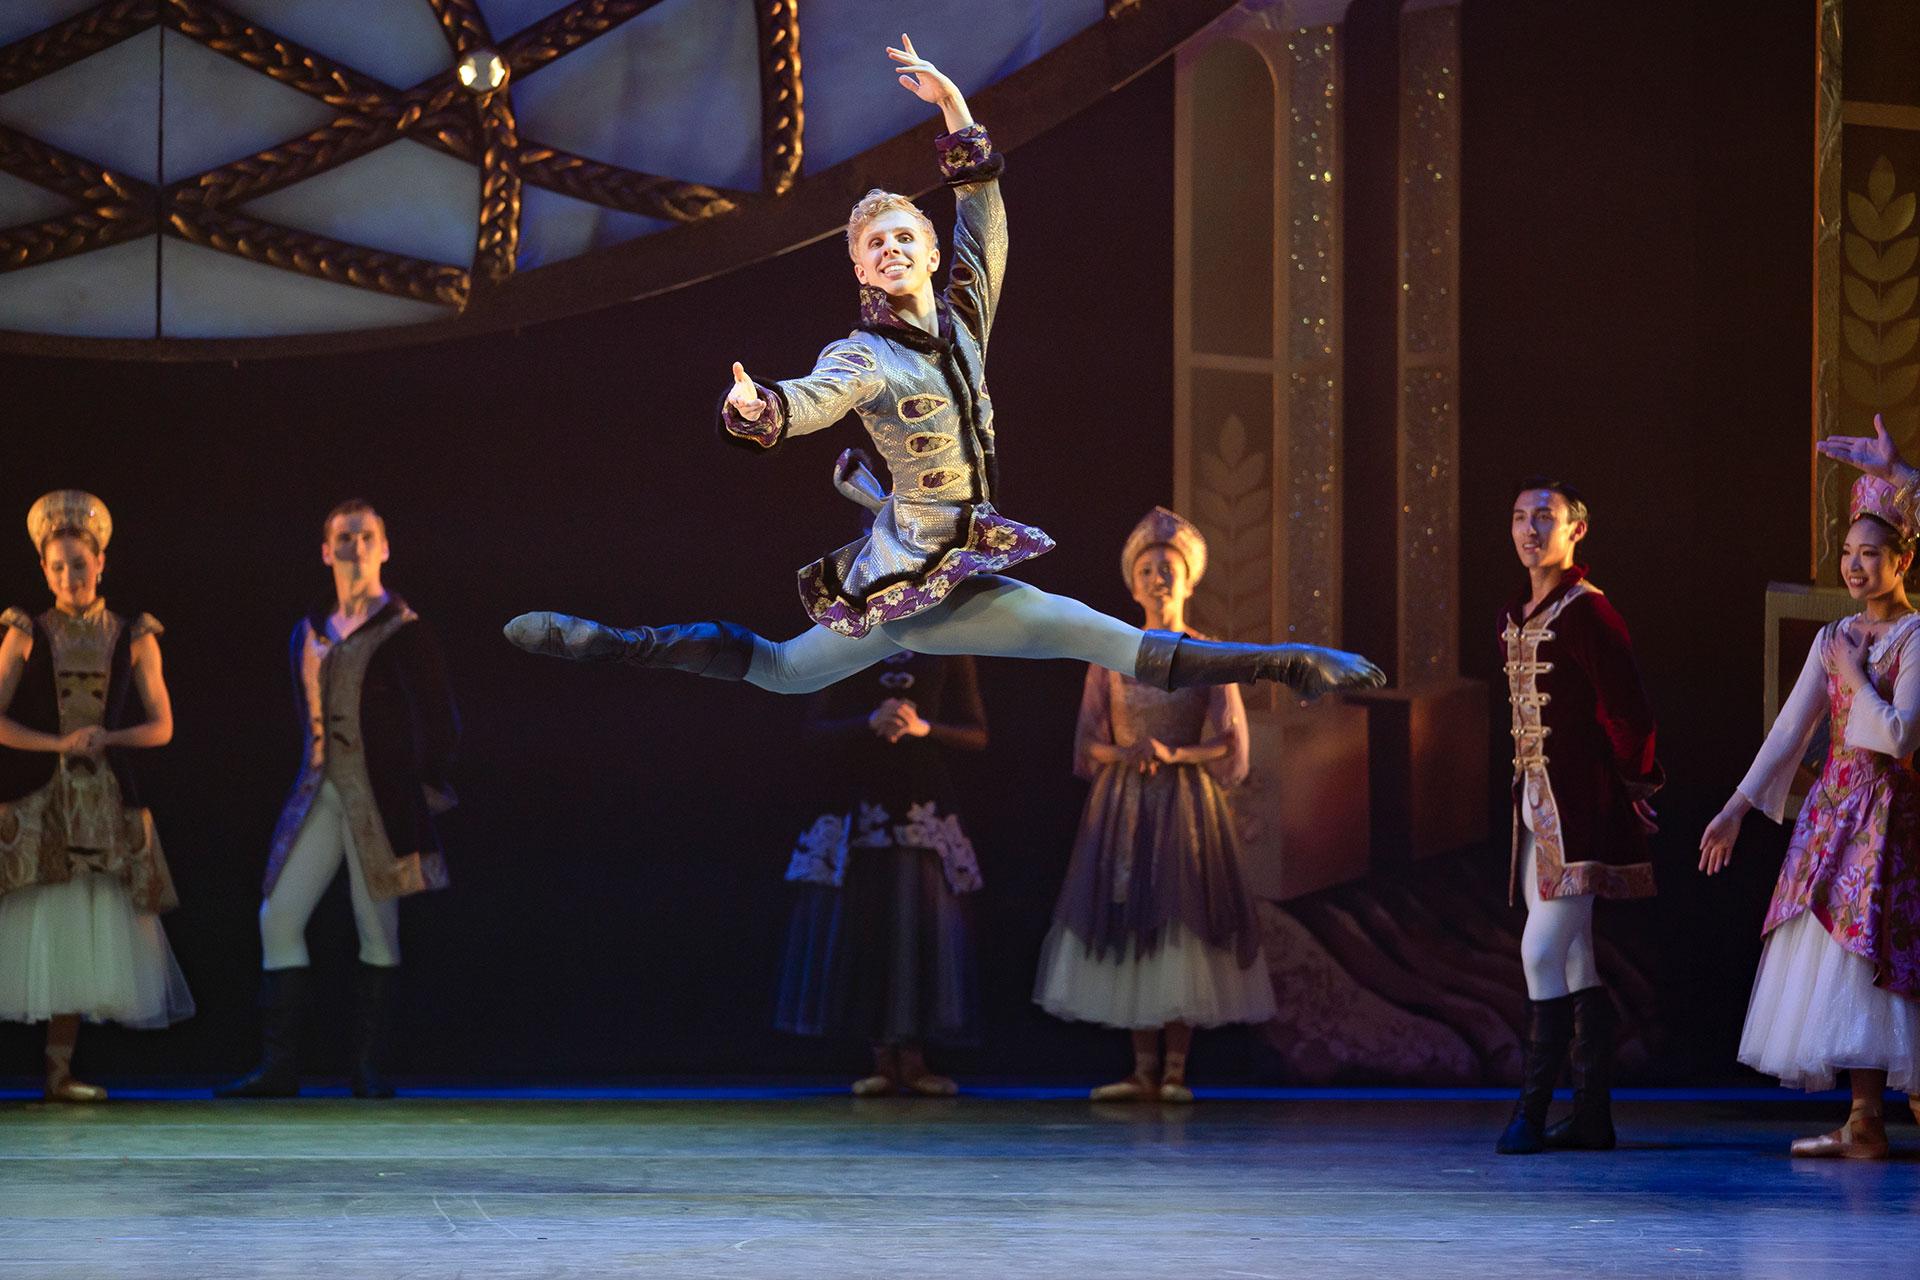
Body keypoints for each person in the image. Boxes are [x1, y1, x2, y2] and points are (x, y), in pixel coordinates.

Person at [503, 35, 1384, 705]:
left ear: (928, 255)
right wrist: (758, 406)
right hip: (917, 580)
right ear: (860, 270)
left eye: (903, 237)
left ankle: (619, 643)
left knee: (782, 670)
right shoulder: (865, 355)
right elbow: (813, 399)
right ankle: (1287, 663)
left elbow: (985, 225)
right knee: (1093, 635)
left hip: (926, 567)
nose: (889, 248)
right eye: (873, 245)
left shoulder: (964, 322)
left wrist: (955, 109)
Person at [1700, 472, 1920, 1158]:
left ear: (1904, 561)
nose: (1855, 566)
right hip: (1835, 816)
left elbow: (1900, 737)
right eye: (1848, 552)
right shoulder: (1834, 636)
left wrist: (1855, 676)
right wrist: (1735, 809)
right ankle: (1863, 1120)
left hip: (1894, 815)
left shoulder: (1914, 637)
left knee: (1887, 950)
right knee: (1842, 958)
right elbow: (1789, 732)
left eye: (1871, 554)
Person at [217, 500, 459, 1100]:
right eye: (344, 537)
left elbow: (439, 717)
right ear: (326, 551)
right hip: (321, 789)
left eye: (366, 535)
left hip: (379, 798)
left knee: (376, 925)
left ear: (385, 547)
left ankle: (368, 1068)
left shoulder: (405, 629)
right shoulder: (309, 630)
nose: (356, 545)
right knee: (278, 916)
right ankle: (279, 1067)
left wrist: (422, 786)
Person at [1033, 508, 1275, 1102]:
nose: (1157, 578)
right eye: (1146, 569)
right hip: (1124, 803)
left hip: (1185, 805)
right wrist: (1126, 752)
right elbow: (1086, 741)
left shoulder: (1209, 656)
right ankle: (1141, 1069)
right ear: (1133, 584)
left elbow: (1230, 742)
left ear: (1188, 580)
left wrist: (1175, 753)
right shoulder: (1111, 652)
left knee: (1180, 923)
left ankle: (1174, 1070)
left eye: (1168, 568)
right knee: (1129, 919)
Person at [0, 491, 192, 1101]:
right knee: (41, 922)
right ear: (44, 570)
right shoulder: (26, 632)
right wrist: (57, 744)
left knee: (84, 929)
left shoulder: (132, 634)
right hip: (44, 801)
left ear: (101, 563)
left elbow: (162, 724)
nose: (69, 577)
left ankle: (59, 1070)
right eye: (57, 567)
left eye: (79, 565)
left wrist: (109, 737)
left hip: (104, 803)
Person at [773, 561, 988, 1094]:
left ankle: (913, 1059)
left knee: (919, 930)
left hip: (921, 806)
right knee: (866, 927)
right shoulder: (842, 634)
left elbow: (977, 733)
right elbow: (812, 727)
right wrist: (867, 722)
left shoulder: (948, 640)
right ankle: (879, 1059)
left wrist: (923, 726)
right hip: (860, 805)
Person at [1496, 479, 1661, 1154]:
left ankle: (1530, 1114)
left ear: (1576, 530)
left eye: (1545, 517)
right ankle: (1593, 1117)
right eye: (1520, 517)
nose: (1530, 529)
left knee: (1540, 952)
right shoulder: (1518, 613)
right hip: (1536, 808)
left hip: (1583, 807)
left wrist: (1634, 786)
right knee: (1574, 960)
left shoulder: (1589, 611)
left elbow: (1629, 712)